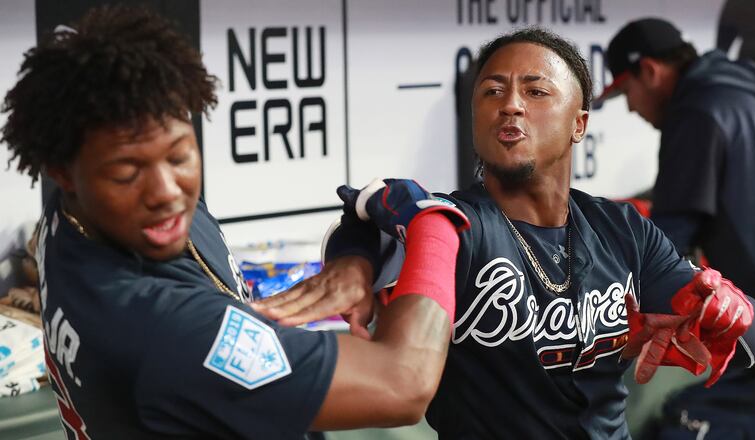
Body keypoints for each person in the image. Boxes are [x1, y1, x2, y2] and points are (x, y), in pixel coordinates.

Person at [256, 27, 755, 439]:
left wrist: (730, 311)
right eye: (492, 90)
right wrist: (354, 263)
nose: (511, 104)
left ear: (579, 122)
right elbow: (367, 218)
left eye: (537, 90)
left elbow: (754, 340)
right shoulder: (454, 223)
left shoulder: (622, 230)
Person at [0, 5, 472, 439]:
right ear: (63, 171)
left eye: (180, 154)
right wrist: (436, 224)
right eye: (127, 172)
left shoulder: (72, 215)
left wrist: (356, 259)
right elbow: (404, 383)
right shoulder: (164, 328)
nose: (167, 191)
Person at [598, 17, 755, 439]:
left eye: (627, 91)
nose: (631, 107)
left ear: (649, 71)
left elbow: (665, 249)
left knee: (681, 426)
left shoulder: (696, 112)